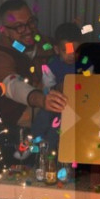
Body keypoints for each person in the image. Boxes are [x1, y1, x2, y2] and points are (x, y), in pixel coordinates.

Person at [0, 0, 68, 156]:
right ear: (4, 30)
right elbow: (12, 84)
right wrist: (41, 100)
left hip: (58, 130)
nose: (28, 30)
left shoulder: (49, 44)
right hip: (15, 135)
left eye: (30, 22)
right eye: (19, 26)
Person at [30, 22, 82, 150]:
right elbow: (47, 87)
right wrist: (57, 88)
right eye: (66, 51)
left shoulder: (84, 65)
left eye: (76, 51)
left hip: (76, 104)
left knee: (57, 127)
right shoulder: (51, 66)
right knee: (43, 116)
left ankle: (50, 152)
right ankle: (33, 143)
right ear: (57, 49)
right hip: (56, 101)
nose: (72, 55)